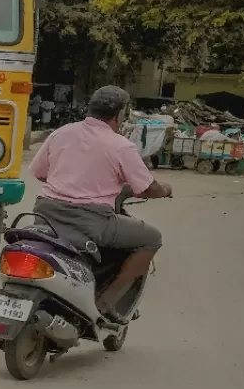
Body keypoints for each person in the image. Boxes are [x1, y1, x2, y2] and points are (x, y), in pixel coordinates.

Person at [29, 84, 173, 318]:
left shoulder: (61, 133)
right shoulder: (121, 146)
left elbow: (39, 172)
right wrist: (165, 189)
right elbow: (146, 188)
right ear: (119, 115)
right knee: (152, 238)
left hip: (45, 212)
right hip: (91, 221)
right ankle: (104, 303)